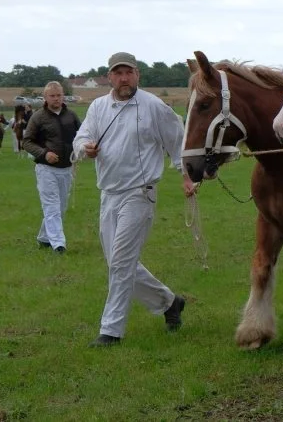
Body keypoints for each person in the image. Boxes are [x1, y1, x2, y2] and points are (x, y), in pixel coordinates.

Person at [72, 52, 194, 347]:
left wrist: (187, 175)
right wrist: (84, 148)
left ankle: (110, 331)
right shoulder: (99, 107)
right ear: (109, 76)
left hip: (140, 193)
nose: (123, 78)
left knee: (122, 262)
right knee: (117, 262)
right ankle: (169, 302)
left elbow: (177, 142)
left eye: (128, 73)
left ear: (137, 75)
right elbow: (78, 140)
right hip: (108, 194)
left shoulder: (154, 106)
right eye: (118, 73)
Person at [22, 81, 83, 254]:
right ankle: (58, 245)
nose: (56, 99)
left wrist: (82, 148)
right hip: (46, 169)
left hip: (67, 169)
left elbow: (81, 135)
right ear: (45, 97)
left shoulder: (71, 115)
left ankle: (43, 238)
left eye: (59, 95)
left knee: (61, 207)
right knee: (51, 206)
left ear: (63, 96)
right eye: (52, 96)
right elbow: (27, 141)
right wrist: (44, 153)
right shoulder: (38, 117)